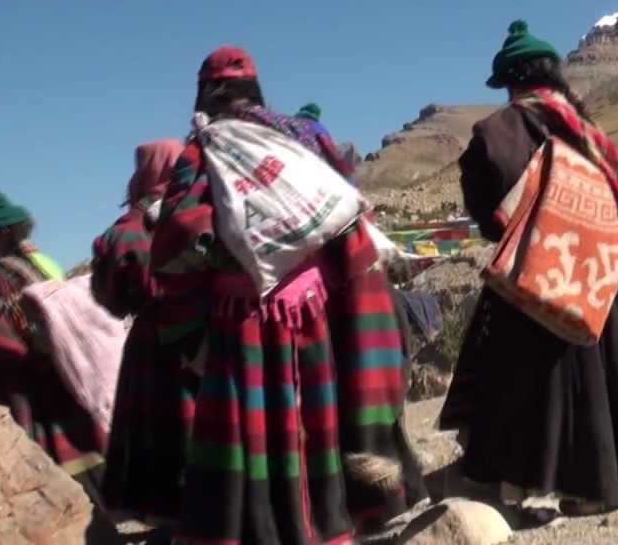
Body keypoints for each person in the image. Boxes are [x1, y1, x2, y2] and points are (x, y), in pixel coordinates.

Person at [149, 46, 425, 544]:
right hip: (313, 309)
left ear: (206, 95)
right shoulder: (303, 135)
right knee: (313, 425)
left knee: (248, 435)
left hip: (243, 317)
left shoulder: (204, 147)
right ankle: (324, 530)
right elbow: (343, 201)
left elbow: (175, 235)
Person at [439, 21, 618, 519]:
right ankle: (604, 484)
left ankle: (510, 483)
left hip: (531, 276)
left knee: (509, 372)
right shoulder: (588, 131)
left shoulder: (500, 129)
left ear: (513, 81)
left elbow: (485, 198)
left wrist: (516, 230)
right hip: (592, 277)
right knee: (597, 374)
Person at [92, 139, 200, 527]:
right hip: (210, 342)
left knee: (162, 445)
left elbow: (113, 297)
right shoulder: (206, 207)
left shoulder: (127, 231)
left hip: (155, 349)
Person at [0, 190, 108, 502]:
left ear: (6, 232)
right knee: (82, 435)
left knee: (39, 443)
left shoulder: (1, 275)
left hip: (30, 376)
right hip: (66, 364)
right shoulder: (43, 260)